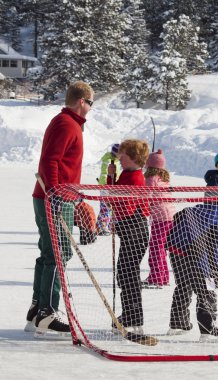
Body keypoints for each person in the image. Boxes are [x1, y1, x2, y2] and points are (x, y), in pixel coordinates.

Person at [24, 81, 94, 336]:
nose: (90, 108)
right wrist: (55, 193)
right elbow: (49, 161)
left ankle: (38, 307)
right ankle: (48, 311)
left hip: (53, 196)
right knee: (59, 253)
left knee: (48, 252)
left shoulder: (66, 122)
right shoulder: (66, 124)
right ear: (82, 101)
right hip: (54, 197)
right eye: (91, 103)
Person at [165, 201, 218, 338]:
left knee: (183, 285)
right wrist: (214, 271)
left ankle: (178, 323)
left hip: (176, 250)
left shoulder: (200, 209)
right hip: (194, 252)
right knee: (207, 290)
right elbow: (215, 247)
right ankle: (207, 328)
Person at [107, 139, 150, 333]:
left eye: (122, 156)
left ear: (133, 158)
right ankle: (131, 313)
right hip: (129, 230)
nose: (119, 159)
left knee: (127, 273)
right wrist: (111, 177)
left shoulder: (135, 178)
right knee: (125, 273)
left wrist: (113, 201)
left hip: (136, 230)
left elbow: (125, 206)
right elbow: (113, 194)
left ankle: (133, 315)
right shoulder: (127, 173)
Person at [142, 149, 175, 288]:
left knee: (156, 248)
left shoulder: (151, 179)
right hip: (170, 216)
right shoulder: (164, 179)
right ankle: (163, 277)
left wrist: (142, 210)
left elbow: (146, 196)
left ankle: (156, 278)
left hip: (161, 217)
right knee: (162, 248)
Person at [96, 144, 121, 235]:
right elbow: (108, 174)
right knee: (106, 207)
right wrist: (108, 184)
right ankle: (101, 227)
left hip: (110, 186)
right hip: (107, 186)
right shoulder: (111, 161)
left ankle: (110, 225)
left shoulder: (114, 161)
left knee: (111, 207)